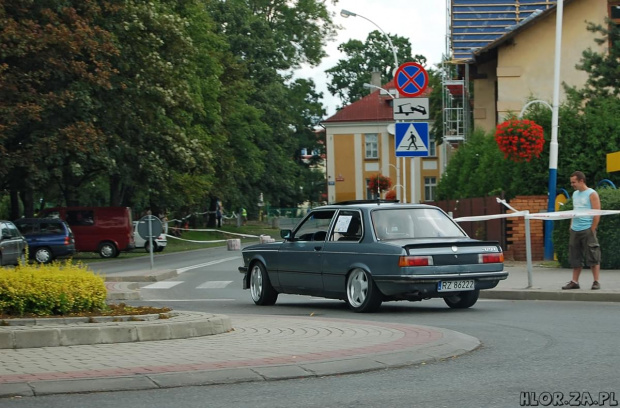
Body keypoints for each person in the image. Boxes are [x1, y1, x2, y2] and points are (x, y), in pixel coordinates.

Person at [562, 171, 601, 290]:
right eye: (571, 182)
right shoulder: (575, 194)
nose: (572, 184)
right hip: (575, 229)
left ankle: (596, 281)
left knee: (593, 254)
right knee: (575, 256)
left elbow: (597, 212)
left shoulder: (592, 194)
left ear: (581, 181)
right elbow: (575, 210)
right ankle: (575, 281)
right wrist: (571, 225)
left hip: (587, 228)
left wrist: (592, 229)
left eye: (574, 182)